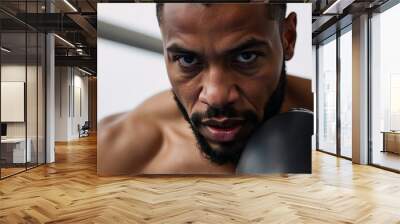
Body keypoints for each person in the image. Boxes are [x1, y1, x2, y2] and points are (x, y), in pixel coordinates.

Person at [98, 3, 313, 175]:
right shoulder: (117, 151)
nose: (216, 97)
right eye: (188, 59)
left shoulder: (337, 126)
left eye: (245, 56)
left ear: (288, 38)